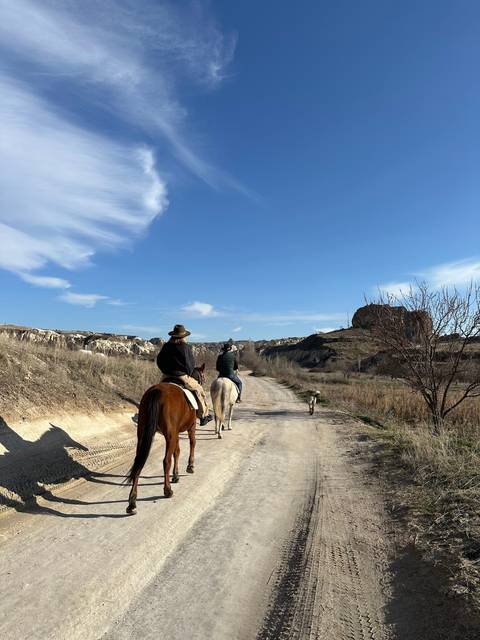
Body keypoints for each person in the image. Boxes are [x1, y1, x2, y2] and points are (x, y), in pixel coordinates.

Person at [156, 324, 213, 425]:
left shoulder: (166, 346)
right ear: (183, 337)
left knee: (156, 391)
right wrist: (188, 373)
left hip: (166, 376)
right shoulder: (185, 347)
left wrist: (165, 371)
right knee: (198, 389)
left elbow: (159, 361)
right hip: (181, 376)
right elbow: (189, 364)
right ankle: (203, 415)